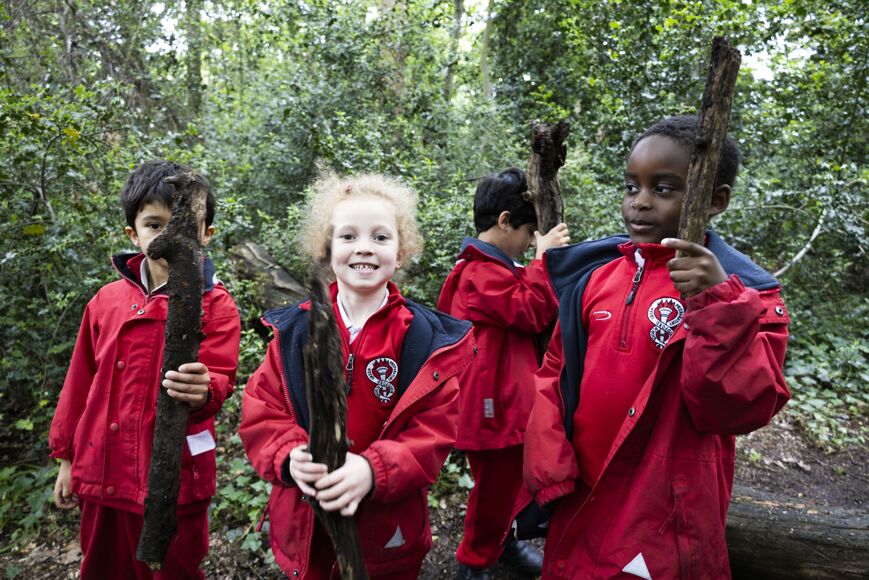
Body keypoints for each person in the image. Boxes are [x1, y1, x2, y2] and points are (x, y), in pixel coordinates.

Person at [523, 115, 791, 579]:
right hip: (582, 490)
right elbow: (554, 373)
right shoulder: (596, 280)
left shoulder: (746, 296)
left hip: (665, 509)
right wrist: (548, 460)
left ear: (715, 200)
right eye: (632, 187)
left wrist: (716, 303)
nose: (640, 202)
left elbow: (736, 409)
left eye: (663, 189)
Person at [239, 173, 475, 579]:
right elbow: (262, 409)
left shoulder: (421, 339)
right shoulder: (295, 332)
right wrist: (290, 456)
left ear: (400, 253)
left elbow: (434, 431)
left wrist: (373, 470)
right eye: (348, 236)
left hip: (386, 532)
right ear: (326, 249)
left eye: (380, 237)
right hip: (308, 525)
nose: (364, 247)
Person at [49, 160, 242, 579]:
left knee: (173, 569)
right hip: (103, 468)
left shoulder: (217, 305)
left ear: (206, 234)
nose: (169, 236)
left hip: (176, 480)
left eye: (185, 226)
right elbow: (79, 382)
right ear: (133, 234)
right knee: (104, 567)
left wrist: (204, 389)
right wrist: (66, 457)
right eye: (154, 225)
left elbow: (220, 377)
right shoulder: (106, 301)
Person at [437, 168, 569, 579]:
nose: (530, 242)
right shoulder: (476, 274)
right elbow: (531, 309)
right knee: (494, 491)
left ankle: (504, 544)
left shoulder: (494, 268)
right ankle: (474, 561)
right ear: (505, 221)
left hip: (504, 406)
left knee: (509, 486)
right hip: (491, 412)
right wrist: (543, 259)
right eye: (529, 232)